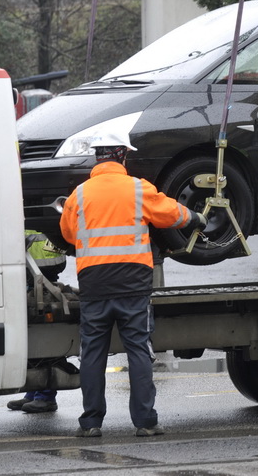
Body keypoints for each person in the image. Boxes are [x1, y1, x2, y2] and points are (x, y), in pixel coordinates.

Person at [60, 129, 206, 438]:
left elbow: (69, 234)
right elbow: (169, 213)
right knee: (138, 350)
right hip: (133, 285)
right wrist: (194, 217)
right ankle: (144, 422)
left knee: (93, 354)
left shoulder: (80, 194)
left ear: (98, 156)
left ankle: (91, 423)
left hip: (94, 284)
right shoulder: (138, 189)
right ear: (123, 155)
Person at [7, 231, 69, 414]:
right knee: (33, 337)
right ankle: (34, 392)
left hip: (38, 268)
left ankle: (45, 396)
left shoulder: (22, 203)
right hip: (41, 264)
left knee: (43, 337)